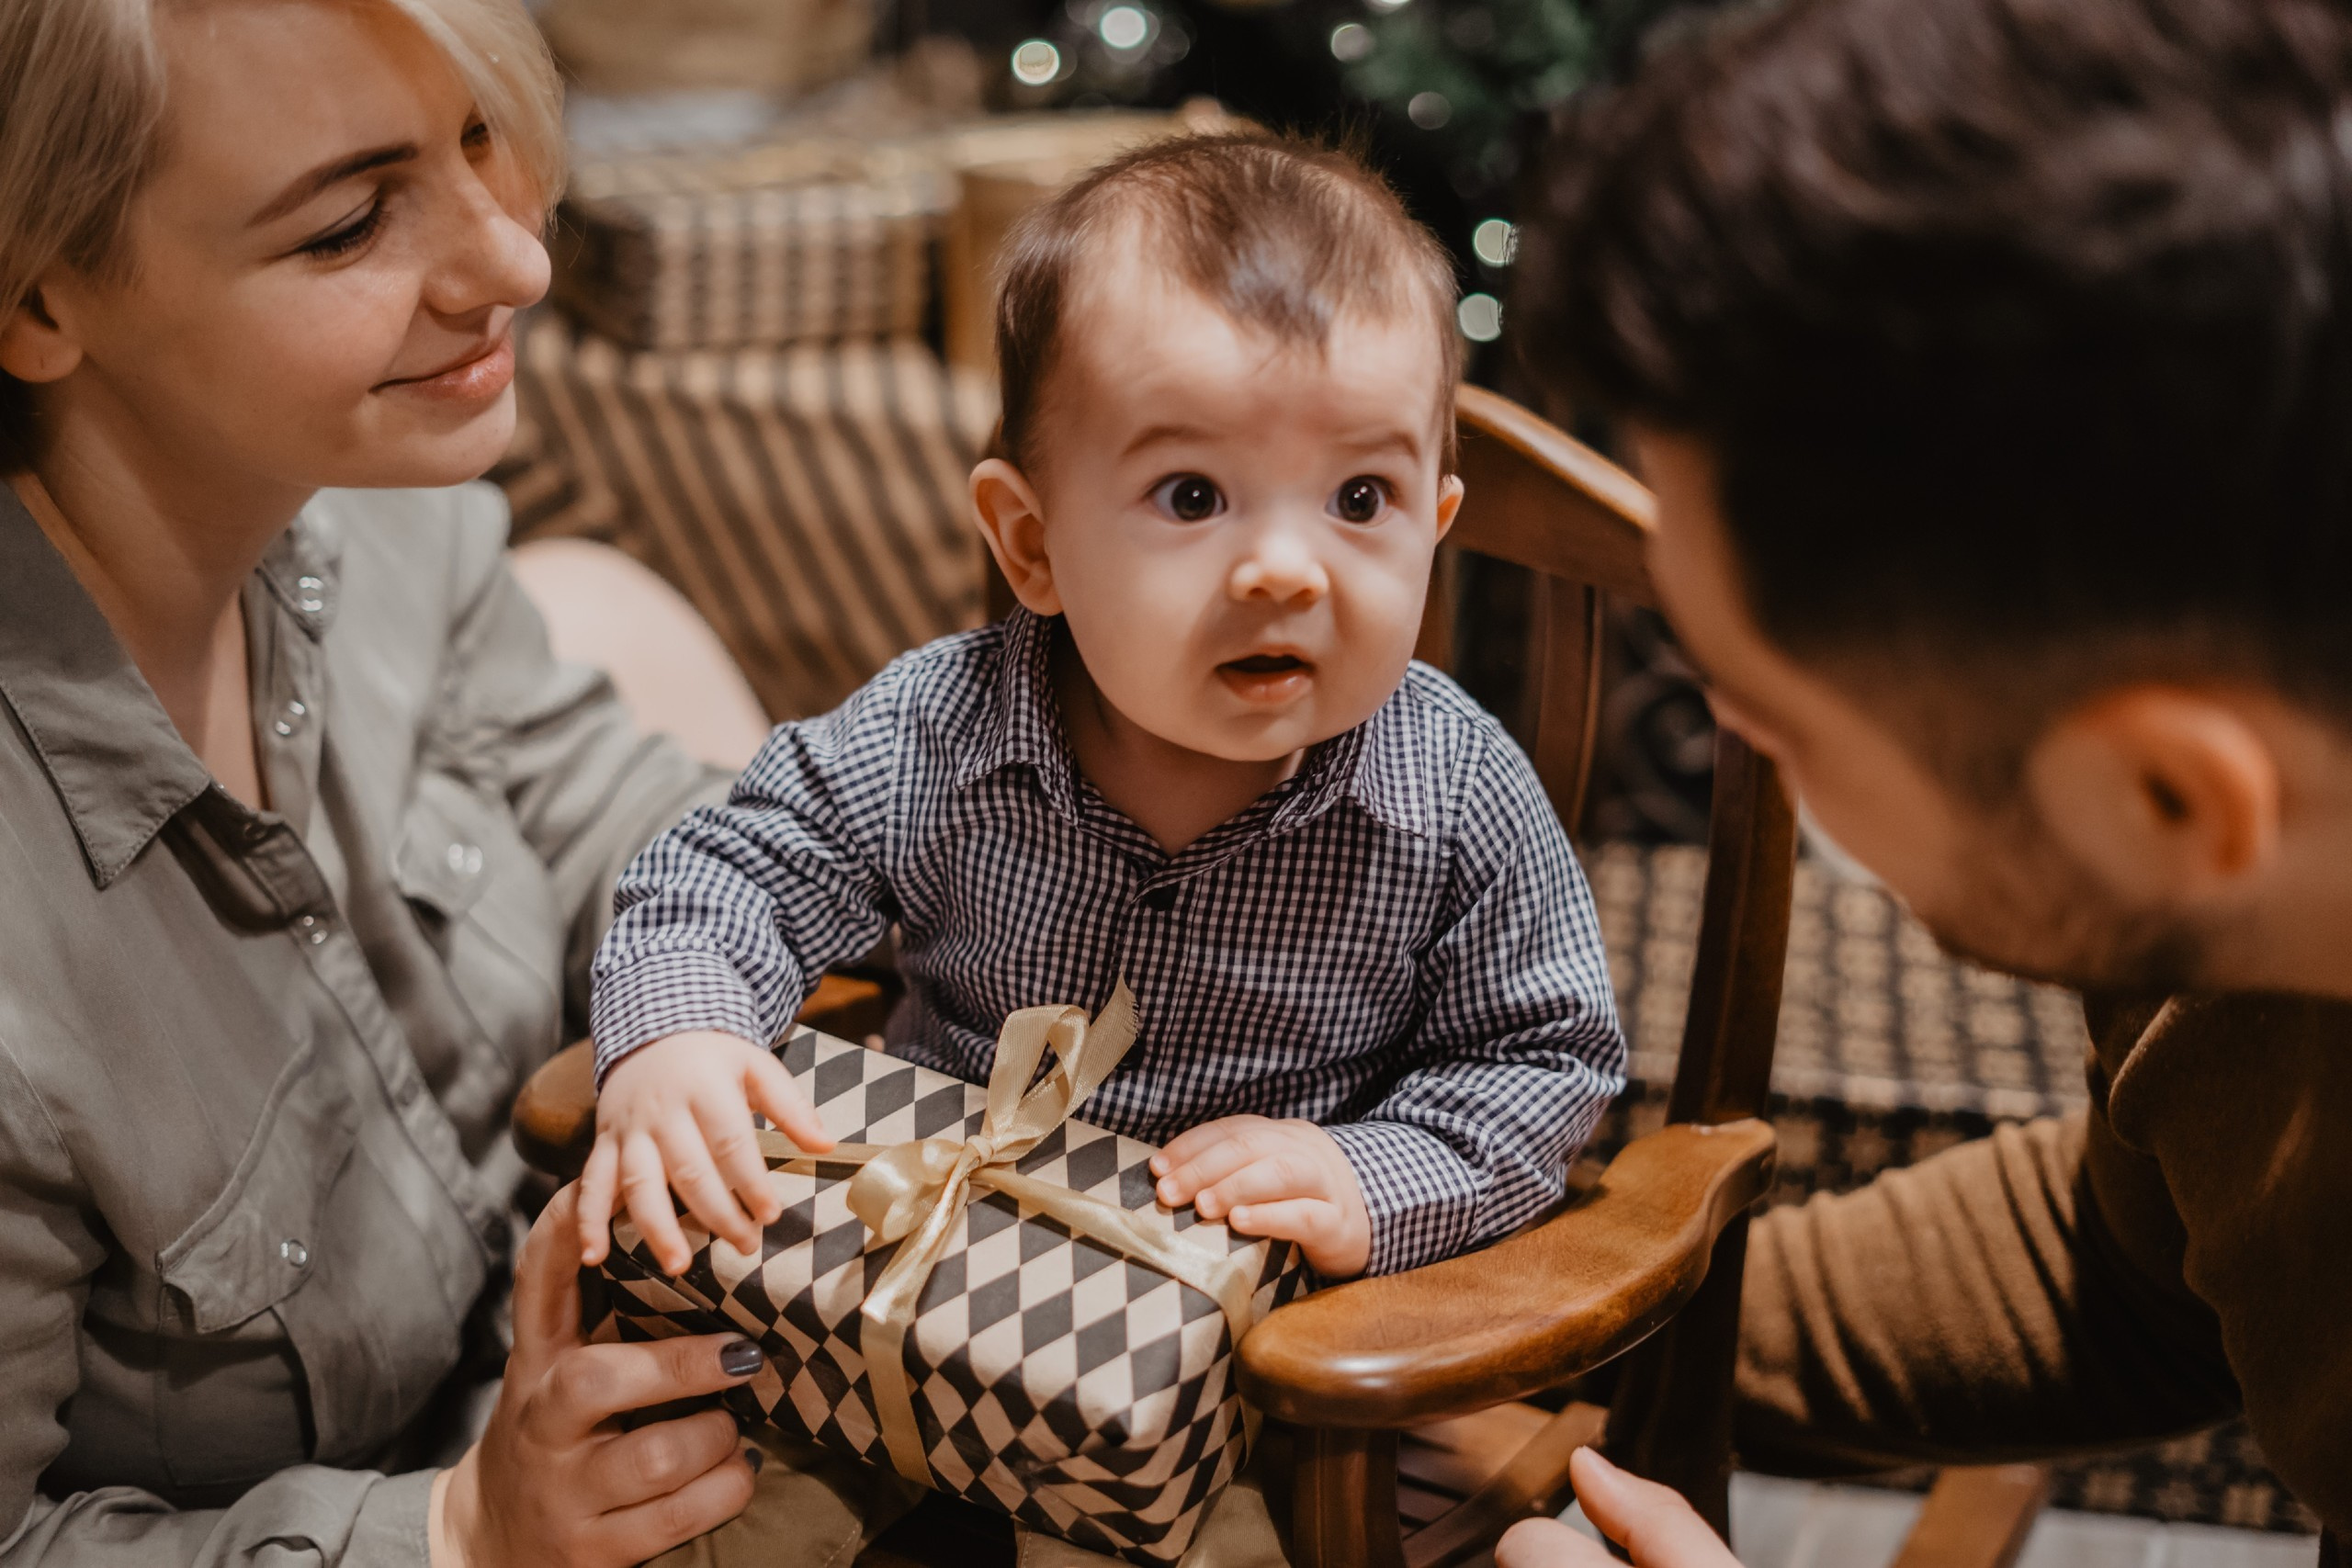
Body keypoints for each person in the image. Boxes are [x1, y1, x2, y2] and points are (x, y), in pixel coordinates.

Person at [1486, 0, 2352, 1562]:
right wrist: (1539, 1310)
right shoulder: (2269, 908)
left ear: (2164, 800)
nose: (1740, 748)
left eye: (1776, 714)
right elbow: (2148, 1247)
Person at [0, 1, 790, 1563]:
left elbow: (609, 808)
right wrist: (458, 1527)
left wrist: (710, 975)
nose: (517, 263)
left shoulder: (377, 508)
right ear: (38, 294)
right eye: (354, 220)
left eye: (479, 138)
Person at [579, 132, 1629, 1293]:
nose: (1286, 570)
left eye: (1359, 498)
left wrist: (1366, 1176)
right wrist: (682, 1031)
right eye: (1194, 497)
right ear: (1033, 545)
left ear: (1434, 524)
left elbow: (1543, 1057)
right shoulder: (939, 732)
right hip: (930, 1288)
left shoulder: (1455, 793)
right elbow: (725, 875)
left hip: (1262, 1356)